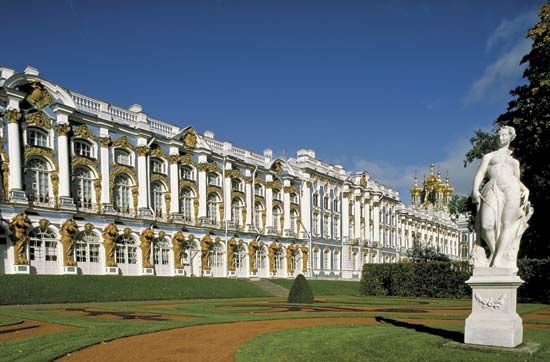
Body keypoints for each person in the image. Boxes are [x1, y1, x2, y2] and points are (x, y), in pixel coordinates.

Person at [472, 126, 533, 271]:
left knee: (508, 224)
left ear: (511, 137)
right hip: (492, 187)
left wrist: (525, 190)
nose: (501, 138)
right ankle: (494, 252)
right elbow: (481, 173)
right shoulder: (489, 156)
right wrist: (475, 189)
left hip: (511, 189)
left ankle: (498, 259)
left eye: (504, 135)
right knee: (486, 225)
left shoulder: (514, 162)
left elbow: (516, 180)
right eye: (499, 135)